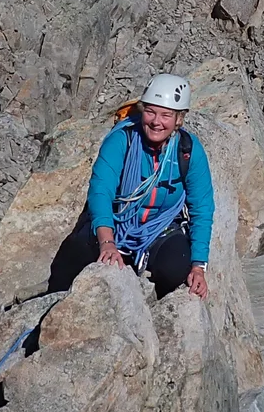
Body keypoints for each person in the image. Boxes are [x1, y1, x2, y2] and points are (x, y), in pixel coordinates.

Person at [57, 73, 215, 298]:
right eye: (150, 112)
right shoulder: (122, 139)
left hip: (160, 228)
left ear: (179, 119)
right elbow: (101, 191)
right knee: (75, 260)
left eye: (166, 115)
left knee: (176, 269)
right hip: (117, 224)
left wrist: (198, 267)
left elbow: (202, 208)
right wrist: (107, 242)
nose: (156, 122)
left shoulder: (188, 150)